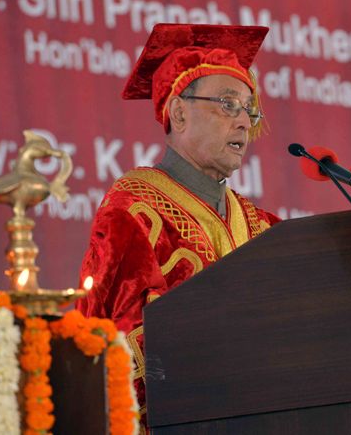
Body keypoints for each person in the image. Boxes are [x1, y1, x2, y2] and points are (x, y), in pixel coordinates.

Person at [77, 23, 281, 426]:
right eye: (227, 104)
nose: (243, 121)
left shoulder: (263, 227)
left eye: (248, 108)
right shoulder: (132, 210)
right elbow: (121, 343)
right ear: (179, 112)